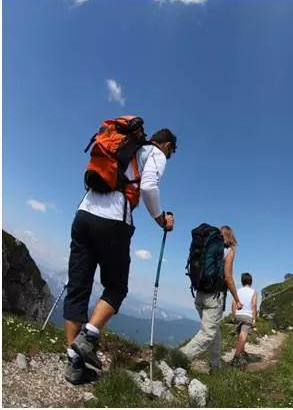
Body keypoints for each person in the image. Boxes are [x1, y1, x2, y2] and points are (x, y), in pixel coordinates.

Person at [63, 125, 177, 385]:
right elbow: (148, 188)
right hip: (113, 220)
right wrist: (161, 219)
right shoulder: (155, 153)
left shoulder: (122, 147)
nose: (169, 156)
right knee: (116, 287)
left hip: (84, 214)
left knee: (78, 287)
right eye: (171, 152)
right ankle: (89, 337)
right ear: (167, 145)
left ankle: (74, 364)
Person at [179, 226, 242, 370]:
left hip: (200, 294)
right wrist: (237, 299)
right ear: (231, 237)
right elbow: (228, 277)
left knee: (215, 332)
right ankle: (177, 358)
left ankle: (215, 365)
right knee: (208, 333)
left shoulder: (207, 246)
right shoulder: (228, 251)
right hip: (214, 297)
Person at [230, 272, 257, 368]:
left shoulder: (237, 291)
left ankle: (243, 351)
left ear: (242, 281)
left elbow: (233, 304)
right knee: (243, 336)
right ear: (251, 281)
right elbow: (253, 306)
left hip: (238, 315)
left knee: (240, 334)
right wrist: (254, 319)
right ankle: (236, 357)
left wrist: (233, 316)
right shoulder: (253, 292)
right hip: (247, 316)